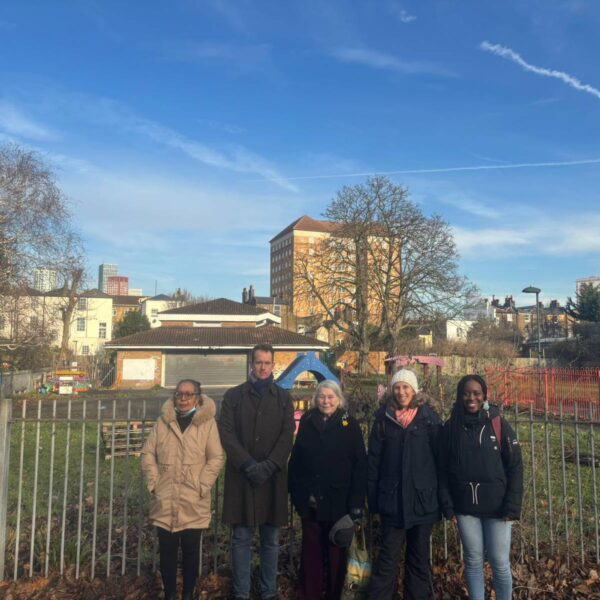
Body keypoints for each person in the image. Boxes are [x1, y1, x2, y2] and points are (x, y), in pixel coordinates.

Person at [218, 343, 295, 600]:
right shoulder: (233, 396)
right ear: (252, 364)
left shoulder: (284, 398)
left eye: (267, 363)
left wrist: (271, 464)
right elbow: (226, 434)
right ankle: (241, 593)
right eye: (258, 362)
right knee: (241, 539)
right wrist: (248, 464)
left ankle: (268, 592)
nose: (262, 367)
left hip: (272, 478)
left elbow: (287, 435)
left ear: (274, 365)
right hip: (242, 477)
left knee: (270, 540)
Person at [438, 374, 523, 600]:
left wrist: (513, 506)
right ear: (460, 396)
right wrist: (447, 505)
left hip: (498, 509)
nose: (471, 398)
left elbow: (515, 466)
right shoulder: (451, 427)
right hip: (465, 507)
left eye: (476, 393)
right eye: (467, 393)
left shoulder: (498, 424)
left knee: (499, 562)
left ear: (484, 395)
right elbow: (442, 469)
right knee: (473, 561)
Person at [141, 379, 224, 600]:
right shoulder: (163, 422)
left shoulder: (207, 424)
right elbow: (148, 453)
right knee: (167, 552)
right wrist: (154, 482)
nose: (184, 398)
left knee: (190, 551)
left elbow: (216, 458)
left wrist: (202, 484)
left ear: (198, 397)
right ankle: (170, 593)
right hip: (165, 496)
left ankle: (188, 593)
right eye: (180, 394)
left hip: (193, 498)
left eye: (189, 394)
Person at [288, 380, 367, 599]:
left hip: (338, 500)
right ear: (316, 399)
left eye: (331, 397)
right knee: (311, 552)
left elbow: (360, 465)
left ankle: (334, 594)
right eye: (322, 396)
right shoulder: (307, 420)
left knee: (336, 553)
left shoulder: (349, 424)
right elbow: (297, 458)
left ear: (339, 399)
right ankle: (310, 593)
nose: (326, 401)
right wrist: (295, 493)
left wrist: (357, 503)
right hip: (310, 499)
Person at [367, 368, 441, 600]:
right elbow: (373, 463)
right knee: (387, 560)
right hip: (392, 501)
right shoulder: (382, 419)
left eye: (406, 387)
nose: (401, 392)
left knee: (418, 560)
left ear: (414, 390)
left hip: (423, 501)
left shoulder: (429, 419)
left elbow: (441, 461)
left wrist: (442, 500)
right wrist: (374, 504)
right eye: (397, 387)